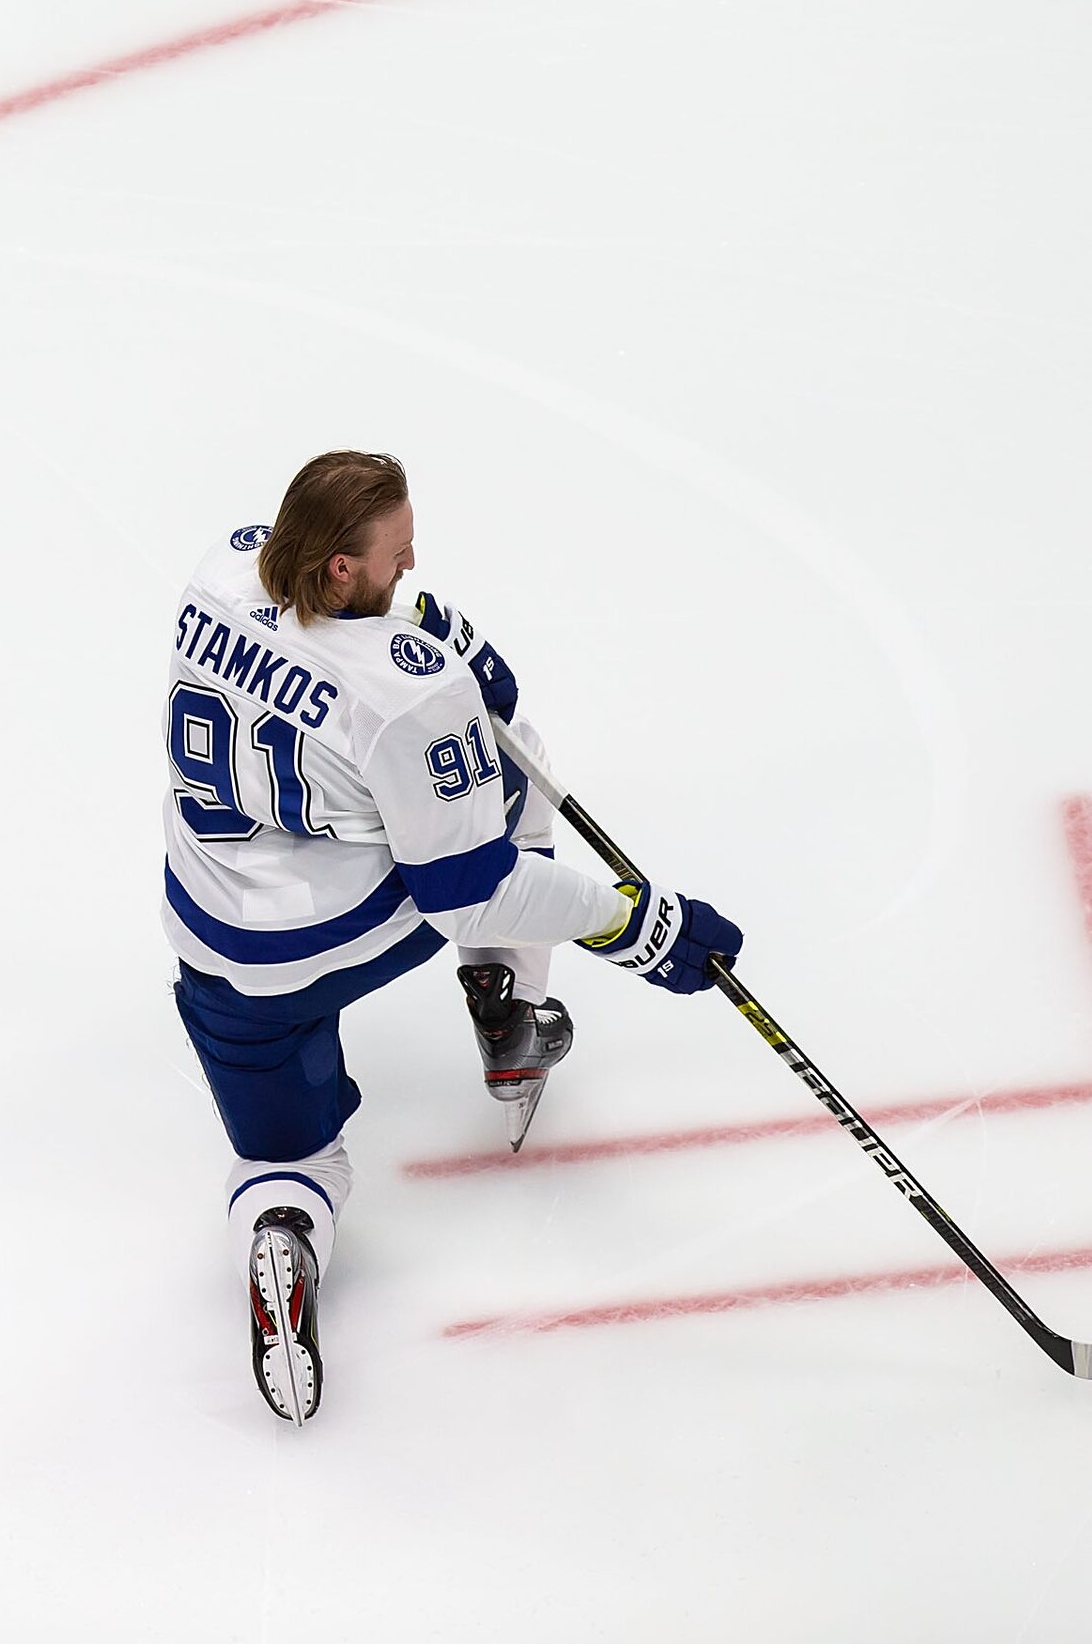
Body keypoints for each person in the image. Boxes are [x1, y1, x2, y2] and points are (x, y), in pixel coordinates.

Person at [162, 450, 742, 1424]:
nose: (413, 562)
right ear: (342, 568)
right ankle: (508, 1013)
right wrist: (637, 924)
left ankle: (281, 1232)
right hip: (334, 936)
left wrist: (429, 620)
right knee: (513, 785)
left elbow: (343, 631)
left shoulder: (221, 573)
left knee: (290, 1161)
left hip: (211, 941)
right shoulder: (409, 696)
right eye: (398, 553)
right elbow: (471, 895)